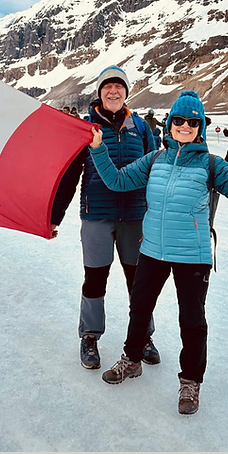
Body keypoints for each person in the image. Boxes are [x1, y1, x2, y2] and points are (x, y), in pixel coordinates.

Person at [88, 90, 228, 414]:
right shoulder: (156, 159)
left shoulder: (210, 165)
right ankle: (132, 359)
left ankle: (190, 383)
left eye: (192, 121)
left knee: (192, 321)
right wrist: (99, 151)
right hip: (153, 250)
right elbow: (116, 180)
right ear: (170, 124)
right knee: (139, 309)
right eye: (179, 120)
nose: (185, 125)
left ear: (199, 126)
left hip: (192, 256)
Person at [51, 66, 158, 371]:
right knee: (95, 279)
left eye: (119, 87)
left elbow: (157, 171)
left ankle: (144, 336)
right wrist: (55, 216)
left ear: (126, 92)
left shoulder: (141, 127)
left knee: (139, 281)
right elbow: (69, 176)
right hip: (97, 215)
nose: (113, 91)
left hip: (135, 216)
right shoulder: (86, 129)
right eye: (107, 87)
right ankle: (89, 336)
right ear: (99, 93)